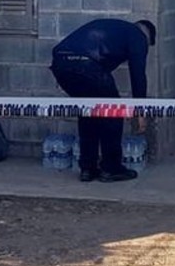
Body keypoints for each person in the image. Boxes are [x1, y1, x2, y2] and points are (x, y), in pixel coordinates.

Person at [49, 18, 156, 183]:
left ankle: (88, 169)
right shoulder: (138, 36)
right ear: (147, 36)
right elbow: (138, 74)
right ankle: (111, 168)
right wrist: (140, 111)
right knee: (113, 113)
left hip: (61, 63)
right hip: (86, 64)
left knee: (88, 113)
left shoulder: (116, 29)